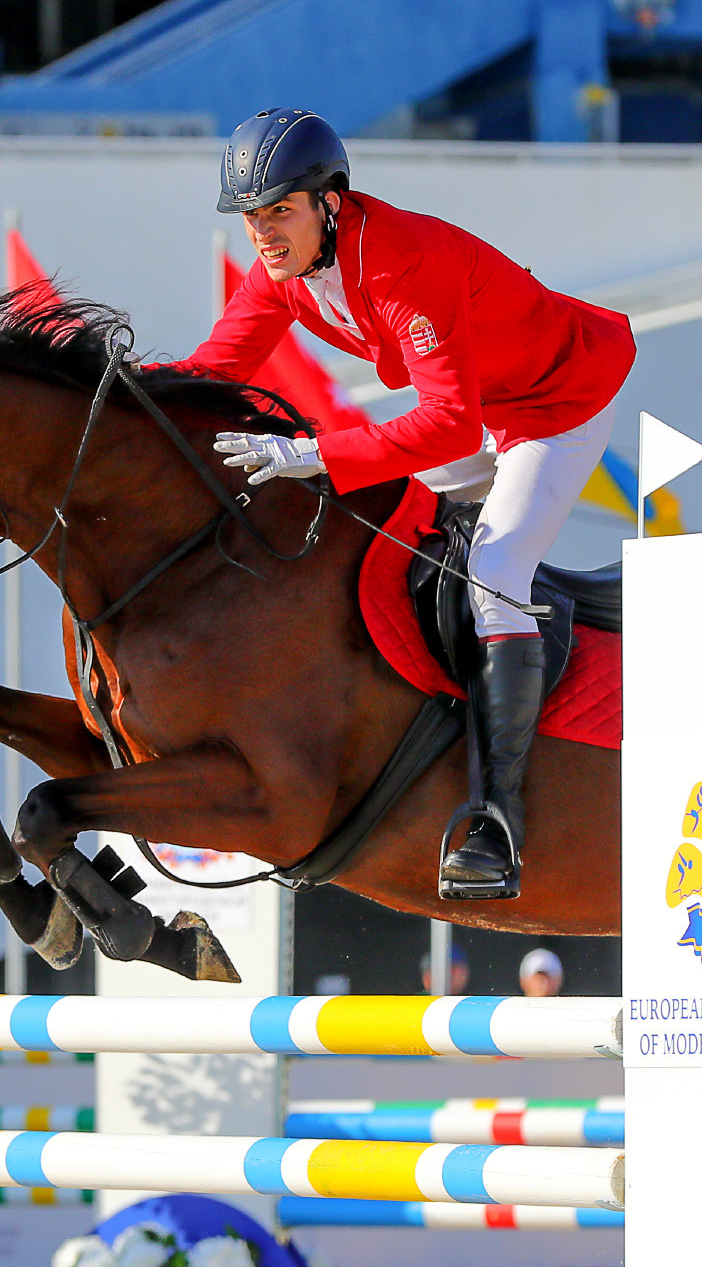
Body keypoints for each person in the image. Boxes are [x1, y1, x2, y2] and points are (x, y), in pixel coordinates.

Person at [183, 108, 636, 903]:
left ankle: (497, 817)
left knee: (494, 567)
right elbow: (210, 374)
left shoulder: (399, 263)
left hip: (553, 402)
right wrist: (100, 391)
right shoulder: (284, 270)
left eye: (279, 212)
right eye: (252, 218)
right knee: (395, 543)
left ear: (330, 201)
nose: (263, 234)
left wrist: (316, 454)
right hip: (480, 403)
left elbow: (448, 424)